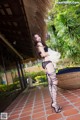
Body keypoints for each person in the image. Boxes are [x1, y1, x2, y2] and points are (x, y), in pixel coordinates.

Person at [33, 34, 62, 113]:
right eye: (36, 37)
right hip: (48, 63)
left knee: (50, 84)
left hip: (45, 64)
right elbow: (43, 54)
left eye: (38, 36)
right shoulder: (39, 44)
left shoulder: (40, 44)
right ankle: (55, 104)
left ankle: (54, 102)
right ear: (34, 39)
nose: (38, 37)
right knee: (55, 82)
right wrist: (50, 53)